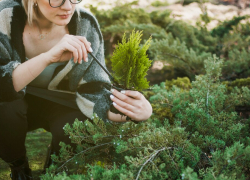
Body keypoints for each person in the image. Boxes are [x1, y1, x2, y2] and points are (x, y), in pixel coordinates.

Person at [0, 0, 153, 179]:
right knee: (5, 108)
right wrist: (48, 57)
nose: (68, 7)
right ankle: (19, 167)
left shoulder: (85, 24)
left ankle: (55, 171)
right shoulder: (4, 16)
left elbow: (94, 90)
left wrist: (133, 112)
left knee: (76, 121)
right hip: (15, 104)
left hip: (62, 104)